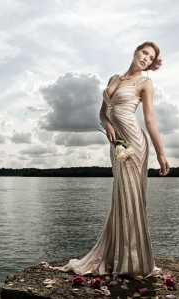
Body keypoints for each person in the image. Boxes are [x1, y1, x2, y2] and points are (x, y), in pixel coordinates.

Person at [61, 41, 170, 278]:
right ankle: (117, 255)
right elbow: (103, 111)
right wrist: (108, 125)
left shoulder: (145, 82)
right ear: (135, 51)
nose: (146, 59)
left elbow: (149, 119)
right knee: (120, 197)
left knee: (132, 198)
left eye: (151, 58)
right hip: (117, 144)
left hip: (134, 143)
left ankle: (134, 260)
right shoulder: (113, 79)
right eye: (144, 53)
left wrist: (161, 154)